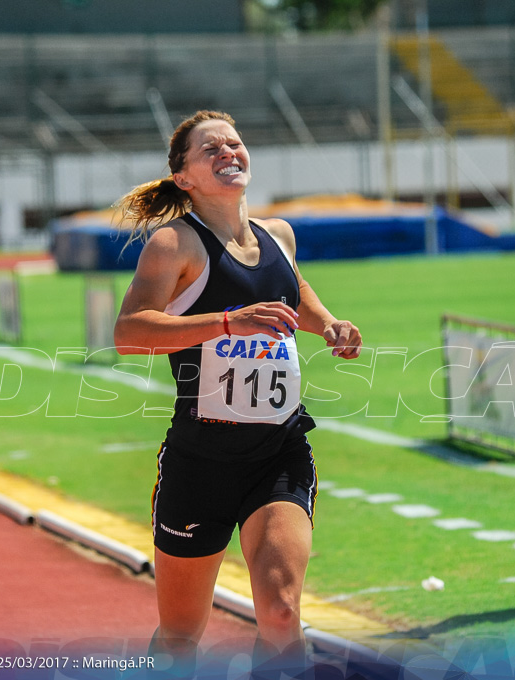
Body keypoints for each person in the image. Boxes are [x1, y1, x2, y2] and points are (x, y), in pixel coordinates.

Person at [113, 110, 362, 672]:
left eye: (234, 143)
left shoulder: (279, 235)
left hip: (278, 452)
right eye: (211, 150)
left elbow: (293, 289)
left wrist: (329, 326)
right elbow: (128, 334)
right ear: (185, 178)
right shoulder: (174, 244)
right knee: (180, 636)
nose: (228, 152)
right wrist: (227, 322)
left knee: (279, 612)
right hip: (199, 461)